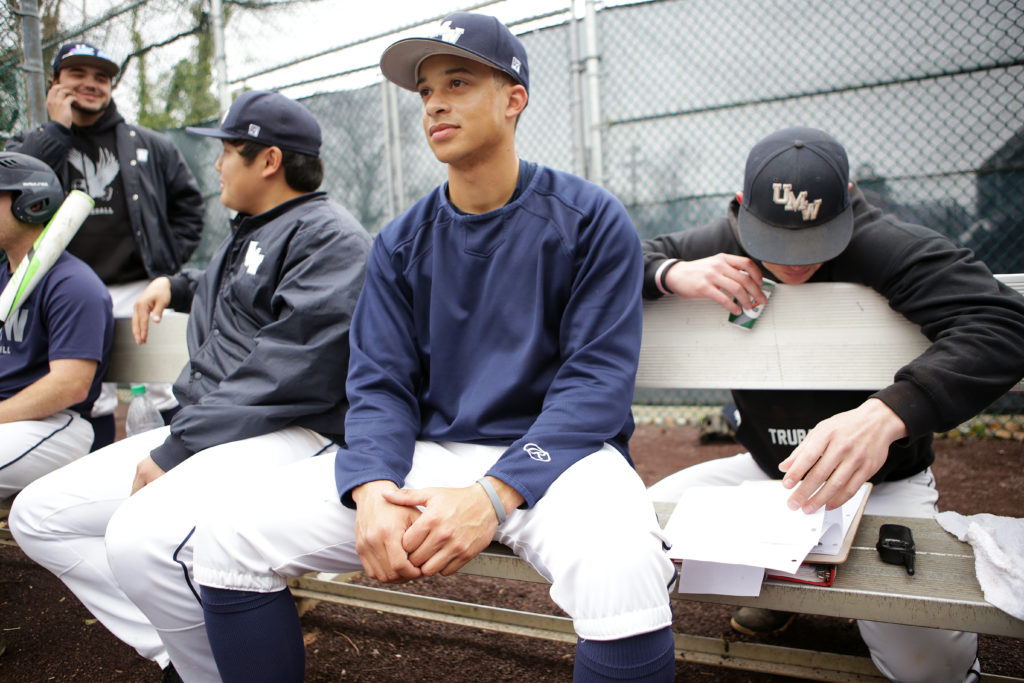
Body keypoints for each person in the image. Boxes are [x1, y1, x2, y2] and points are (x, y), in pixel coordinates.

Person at [183, 14, 677, 682]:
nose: (435, 101)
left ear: (514, 98)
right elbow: (380, 384)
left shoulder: (590, 217)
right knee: (228, 537)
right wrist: (374, 487)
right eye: (424, 91)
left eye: (459, 81)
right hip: (435, 453)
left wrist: (495, 494)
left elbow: (594, 386)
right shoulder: (399, 241)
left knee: (624, 568)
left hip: (558, 456)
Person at [8, 91, 371, 682]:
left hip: (291, 431)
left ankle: (212, 666)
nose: (218, 165)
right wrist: (174, 285)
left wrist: (180, 447)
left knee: (139, 537)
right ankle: (196, 652)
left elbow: (294, 366)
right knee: (38, 516)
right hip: (219, 428)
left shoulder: (330, 238)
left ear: (269, 161)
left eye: (228, 151)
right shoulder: (254, 228)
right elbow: (237, 283)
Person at [642, 126, 1024, 683]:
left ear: (848, 202)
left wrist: (887, 413)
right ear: (744, 210)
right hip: (765, 473)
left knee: (929, 671)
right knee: (631, 534)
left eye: (813, 242)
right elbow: (602, 257)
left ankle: (791, 583)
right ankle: (781, 583)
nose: (794, 264)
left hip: (885, 480)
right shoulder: (721, 237)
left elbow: (1005, 325)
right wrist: (670, 271)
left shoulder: (885, 242)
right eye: (777, 241)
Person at [5, 42, 205, 442]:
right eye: (78, 74)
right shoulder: (33, 143)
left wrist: (163, 264)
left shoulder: (149, 144)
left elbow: (190, 207)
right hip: (65, 290)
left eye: (101, 77)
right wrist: (57, 129)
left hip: (137, 286)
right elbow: (12, 187)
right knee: (91, 399)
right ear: (55, 82)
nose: (91, 85)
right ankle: (88, 477)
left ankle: (164, 469)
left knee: (160, 386)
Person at [0, 151, 113, 497]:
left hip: (55, 424)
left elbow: (70, 385)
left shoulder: (72, 283)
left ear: (30, 203)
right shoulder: (3, 275)